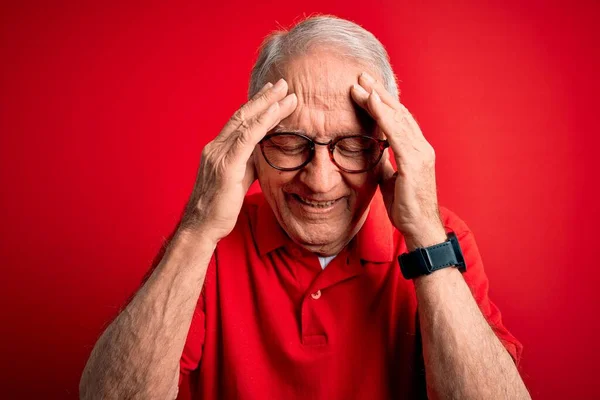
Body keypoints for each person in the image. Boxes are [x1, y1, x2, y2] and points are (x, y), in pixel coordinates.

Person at [80, 15, 530, 400]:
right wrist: (198, 228)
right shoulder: (208, 244)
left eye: (351, 144)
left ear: (389, 145)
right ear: (252, 144)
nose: (319, 180)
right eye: (291, 142)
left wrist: (425, 235)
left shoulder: (440, 237)